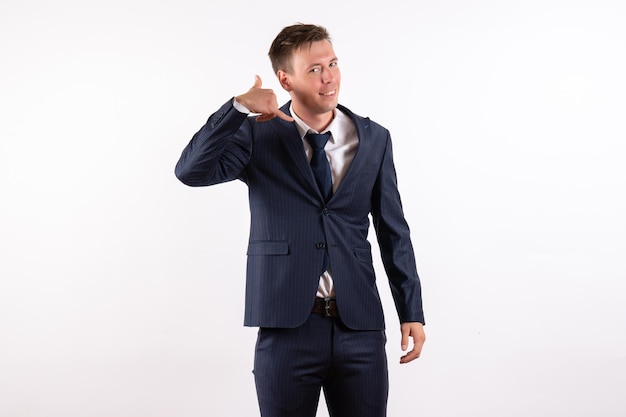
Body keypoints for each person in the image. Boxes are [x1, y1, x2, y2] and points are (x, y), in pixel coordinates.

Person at [175, 23, 425, 417]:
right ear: (284, 79)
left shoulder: (375, 139)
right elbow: (190, 171)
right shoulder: (257, 135)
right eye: (314, 69)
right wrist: (238, 108)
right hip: (287, 328)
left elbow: (394, 230)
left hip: (359, 327)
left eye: (333, 63)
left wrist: (410, 310)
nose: (329, 77)